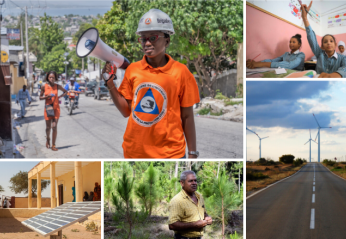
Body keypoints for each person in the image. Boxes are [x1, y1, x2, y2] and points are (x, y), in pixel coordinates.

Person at [102, 9, 200, 158]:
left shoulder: (181, 72)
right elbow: (126, 111)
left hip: (170, 153)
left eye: (153, 38)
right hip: (135, 151)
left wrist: (192, 153)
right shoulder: (132, 70)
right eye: (143, 39)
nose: (147, 43)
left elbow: (187, 116)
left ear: (167, 40)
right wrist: (110, 84)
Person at [301, 1, 346, 78]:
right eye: (325, 42)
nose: (328, 43)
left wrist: (335, 75)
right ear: (322, 46)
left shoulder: (342, 58)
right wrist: (305, 18)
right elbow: (312, 39)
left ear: (335, 44)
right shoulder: (319, 54)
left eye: (331, 41)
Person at [168, 171, 212, 239]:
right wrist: (195, 225)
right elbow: (172, 225)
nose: (194, 183)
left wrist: (207, 217)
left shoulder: (199, 196)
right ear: (182, 183)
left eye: (195, 180)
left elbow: (203, 212)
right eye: (190, 181)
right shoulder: (177, 200)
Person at [39, 71, 67, 151]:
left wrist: (59, 97)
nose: (51, 79)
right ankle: (48, 139)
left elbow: (66, 92)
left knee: (54, 127)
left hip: (56, 109)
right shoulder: (44, 87)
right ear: (48, 77)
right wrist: (46, 97)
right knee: (48, 128)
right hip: (48, 108)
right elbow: (40, 97)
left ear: (55, 78)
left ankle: (53, 145)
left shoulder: (57, 86)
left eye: (53, 78)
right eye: (50, 77)